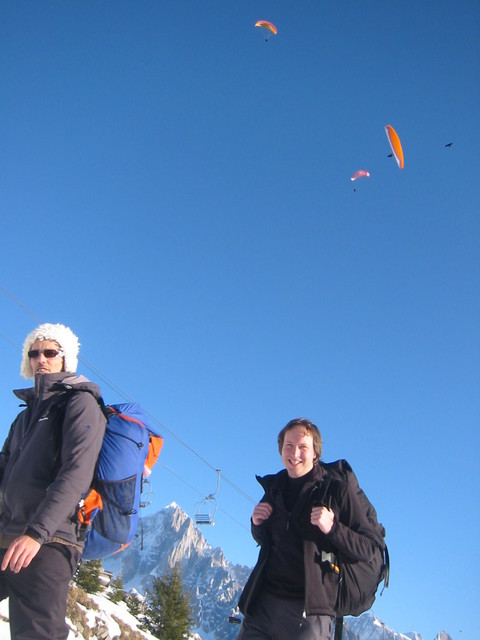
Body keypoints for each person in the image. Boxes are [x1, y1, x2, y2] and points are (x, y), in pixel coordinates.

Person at [0, 323, 106, 640]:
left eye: (50, 352)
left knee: (36, 633)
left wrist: (37, 533)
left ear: (65, 358)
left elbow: (77, 472)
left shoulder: (80, 403)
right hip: (9, 533)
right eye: (34, 353)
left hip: (49, 541)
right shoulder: (25, 416)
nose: (40, 359)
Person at [236, 418, 379, 640]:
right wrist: (256, 524)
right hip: (263, 606)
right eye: (289, 446)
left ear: (315, 454)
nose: (295, 454)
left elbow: (368, 548)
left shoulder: (336, 492)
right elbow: (267, 540)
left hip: (309, 615)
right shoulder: (275, 488)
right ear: (281, 450)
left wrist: (333, 528)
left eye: (303, 447)